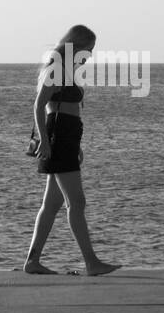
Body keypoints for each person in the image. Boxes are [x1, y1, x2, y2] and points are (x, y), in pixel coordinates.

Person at [24, 25, 120, 276]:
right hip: (58, 140)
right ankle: (91, 263)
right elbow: (39, 106)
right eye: (88, 49)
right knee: (76, 202)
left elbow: (68, 112)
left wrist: (76, 146)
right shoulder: (56, 69)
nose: (90, 55)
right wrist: (45, 141)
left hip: (66, 140)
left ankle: (32, 261)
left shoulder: (66, 70)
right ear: (76, 46)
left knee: (52, 203)